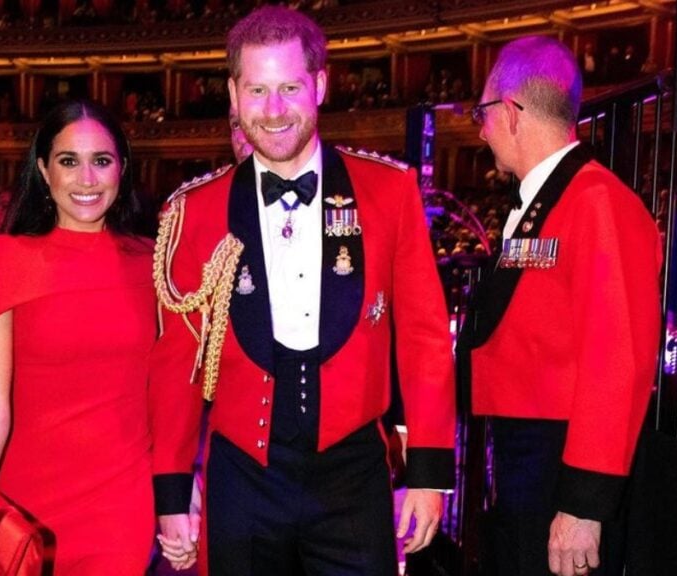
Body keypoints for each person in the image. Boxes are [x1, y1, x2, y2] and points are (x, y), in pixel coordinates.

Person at [150, 6, 456, 575]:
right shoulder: (194, 211)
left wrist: (429, 476)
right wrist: (172, 494)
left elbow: (424, 339)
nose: (272, 111)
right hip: (242, 480)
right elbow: (177, 366)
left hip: (354, 477)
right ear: (235, 96)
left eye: (289, 87)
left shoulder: (389, 191)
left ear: (319, 85)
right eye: (258, 90)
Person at [457, 36, 661, 576]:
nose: (480, 129)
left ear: (511, 113)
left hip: (560, 462)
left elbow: (619, 361)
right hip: (526, 456)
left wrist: (583, 503)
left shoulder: (597, 202)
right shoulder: (547, 202)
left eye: (483, 112)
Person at [0, 100, 156, 575]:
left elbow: (166, 393)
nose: (86, 179)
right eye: (69, 161)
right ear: (43, 170)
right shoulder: (2, 261)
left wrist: (177, 489)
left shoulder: (152, 262)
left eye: (101, 161)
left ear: (122, 168)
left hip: (121, 507)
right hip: (28, 506)